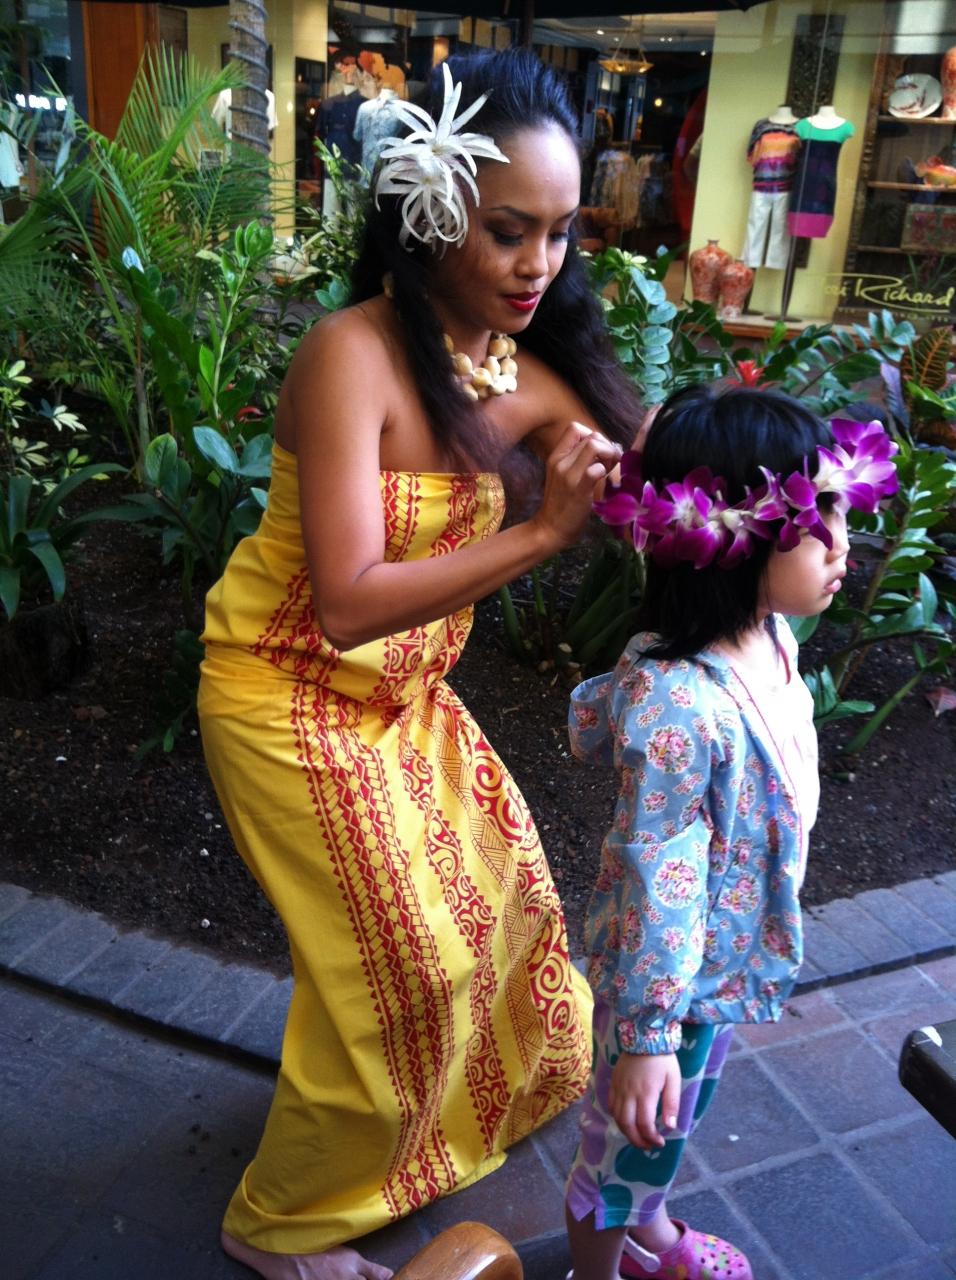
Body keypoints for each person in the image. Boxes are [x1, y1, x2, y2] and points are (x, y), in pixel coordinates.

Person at [197, 47, 640, 1280]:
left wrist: (773, 491)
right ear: (432, 214)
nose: (537, 262)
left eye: (559, 232)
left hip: (400, 699)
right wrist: (541, 533)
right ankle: (275, 1224)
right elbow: (345, 601)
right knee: (407, 964)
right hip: (284, 689)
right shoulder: (348, 355)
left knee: (506, 910)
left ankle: (413, 1122)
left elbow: (655, 471)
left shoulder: (524, 365)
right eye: (507, 230)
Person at [563, 385, 898, 1280]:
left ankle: (649, 1225)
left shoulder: (772, 632)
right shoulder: (682, 707)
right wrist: (646, 1039)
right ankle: (596, 1266)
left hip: (716, 962)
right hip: (664, 984)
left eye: (842, 509)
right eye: (818, 518)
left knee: (670, 1125)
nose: (844, 540)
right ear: (734, 540)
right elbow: (657, 878)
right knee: (621, 1144)